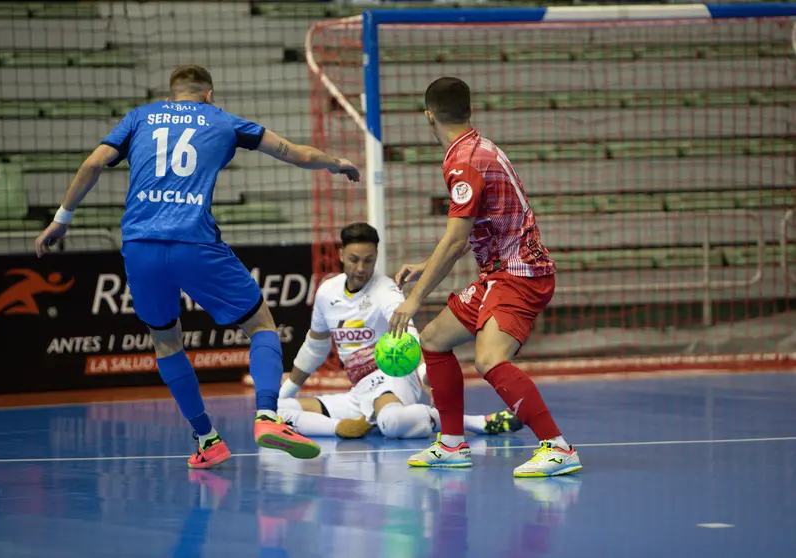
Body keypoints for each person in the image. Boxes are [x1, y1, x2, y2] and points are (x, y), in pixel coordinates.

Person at [35, 65, 360, 469]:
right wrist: (335, 163)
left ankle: (208, 438)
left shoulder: (140, 117)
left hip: (140, 246)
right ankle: (266, 417)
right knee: (261, 325)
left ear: (172, 97)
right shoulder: (224, 119)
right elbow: (295, 153)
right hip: (195, 242)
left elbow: (94, 163)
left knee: (166, 341)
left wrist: (61, 220)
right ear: (208, 95)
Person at [387, 77, 582, 477]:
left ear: (428, 116)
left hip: (519, 275)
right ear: (469, 110)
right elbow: (474, 229)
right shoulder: (479, 147)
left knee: (489, 359)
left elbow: (458, 240)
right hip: (501, 273)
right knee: (434, 341)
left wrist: (415, 298)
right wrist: (428, 264)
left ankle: (558, 447)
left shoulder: (464, 162)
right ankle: (452, 444)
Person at [277, 222, 523, 441]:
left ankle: (473, 423)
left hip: (392, 377)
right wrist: (287, 391)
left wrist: (428, 375)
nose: (361, 268)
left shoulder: (387, 290)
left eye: (368, 260)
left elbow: (409, 336)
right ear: (341, 254)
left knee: (392, 423)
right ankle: (341, 427)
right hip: (359, 390)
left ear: (376, 256)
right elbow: (315, 346)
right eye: (354, 259)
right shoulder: (327, 292)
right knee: (279, 410)